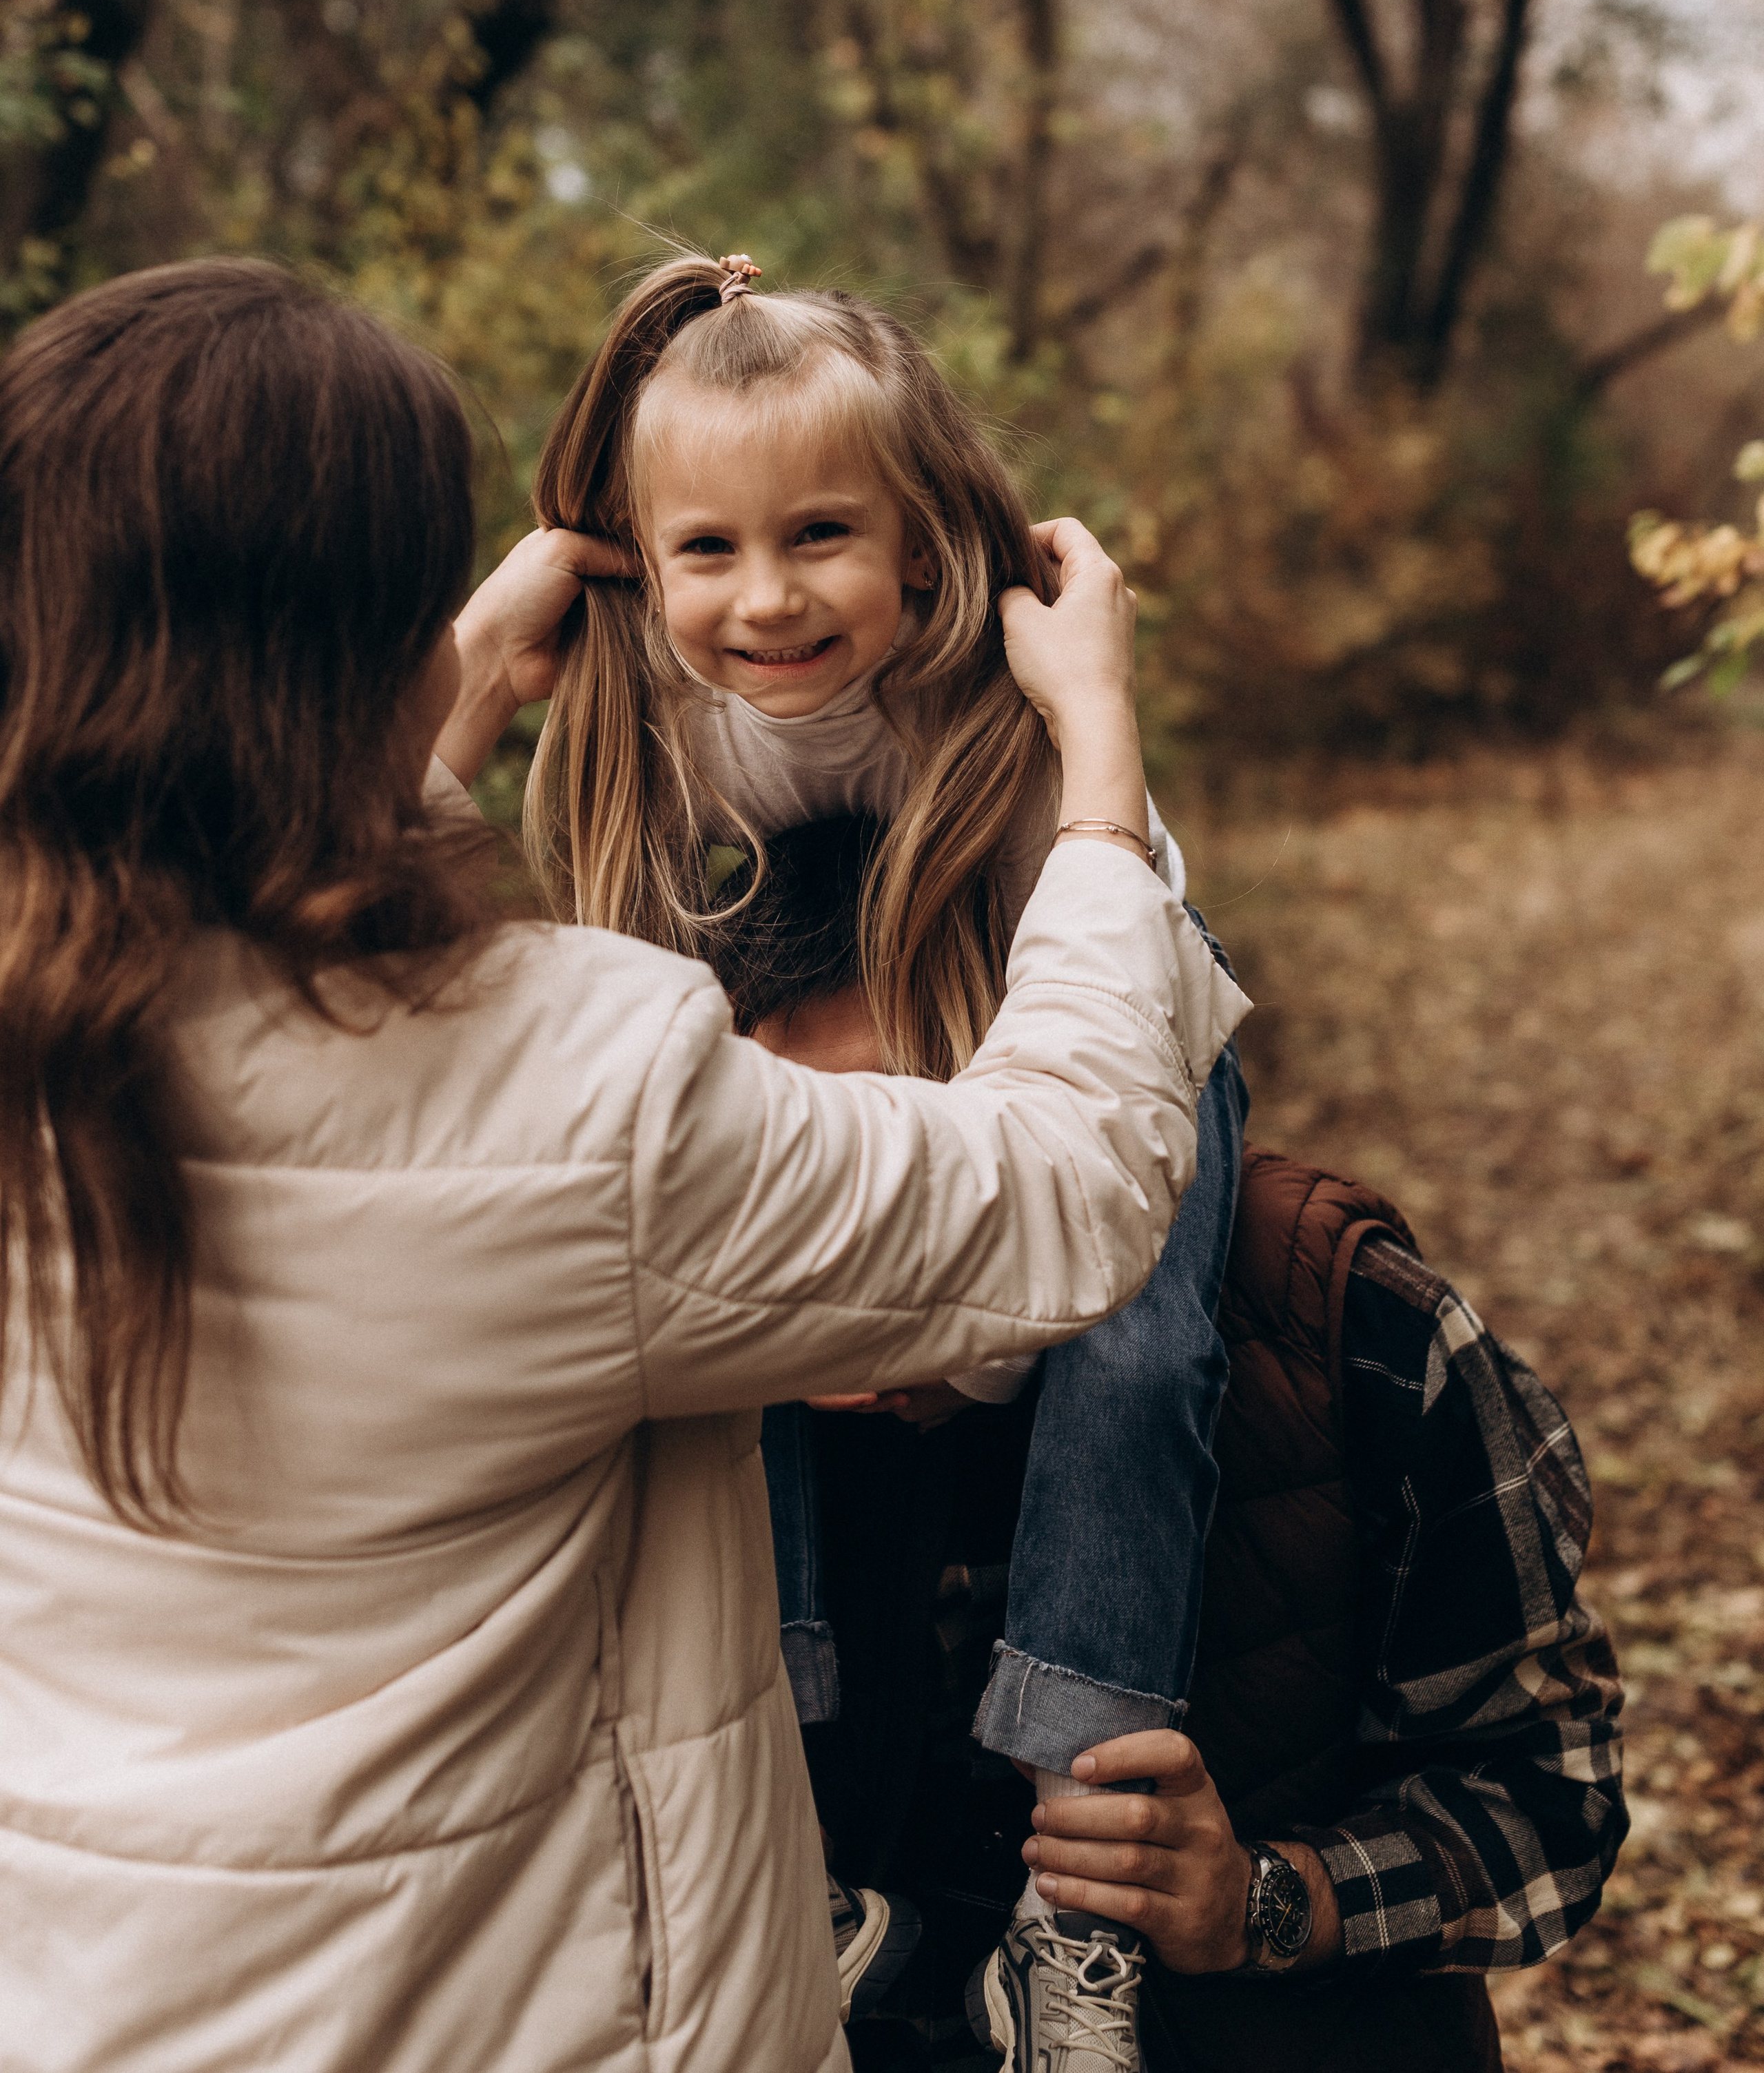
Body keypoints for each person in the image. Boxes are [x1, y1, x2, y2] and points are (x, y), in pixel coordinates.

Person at [0, 258, 1222, 2073]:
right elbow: (1064, 1185)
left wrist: (463, 679)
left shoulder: (52, 1015)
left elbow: (235, 889)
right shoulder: (574, 1098)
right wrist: (1100, 745)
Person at [523, 251, 1250, 2067]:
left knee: (1138, 1346)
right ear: (638, 553)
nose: (765, 600)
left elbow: (1067, 1176)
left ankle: (1076, 1879)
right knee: (710, 1304)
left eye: (821, 534)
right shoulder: (647, 739)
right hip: (918, 1105)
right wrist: (476, 664)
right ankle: (796, 1799)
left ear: (922, 540)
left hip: (1111, 1042)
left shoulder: (1003, 714)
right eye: (705, 548)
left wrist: (934, 1338)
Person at [738, 842, 1628, 2073]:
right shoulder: (664, 1387)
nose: (837, 1260)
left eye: (906, 1174)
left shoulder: (1342, 1325)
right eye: (788, 1182)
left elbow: (1551, 1790)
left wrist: (1265, 1903)